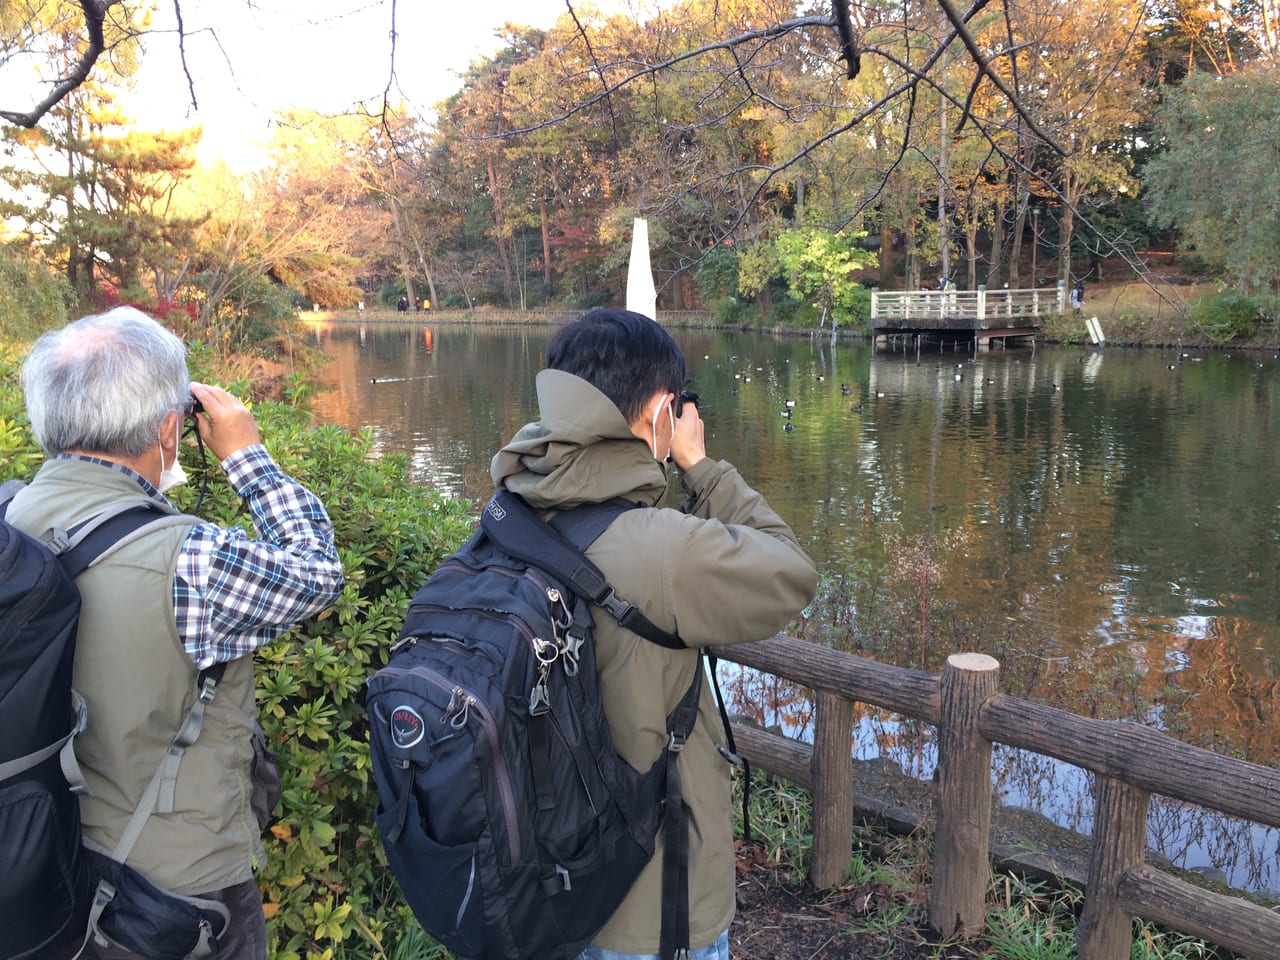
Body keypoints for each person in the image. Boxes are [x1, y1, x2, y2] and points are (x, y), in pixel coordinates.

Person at [7, 306, 345, 959]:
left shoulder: (10, 519)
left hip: (42, 872)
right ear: (170, 427)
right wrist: (248, 457)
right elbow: (317, 574)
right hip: (174, 901)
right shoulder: (191, 561)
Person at [490, 308, 818, 960]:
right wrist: (699, 464)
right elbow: (791, 574)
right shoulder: (660, 549)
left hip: (541, 878)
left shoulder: (508, 512)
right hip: (650, 911)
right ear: (662, 411)